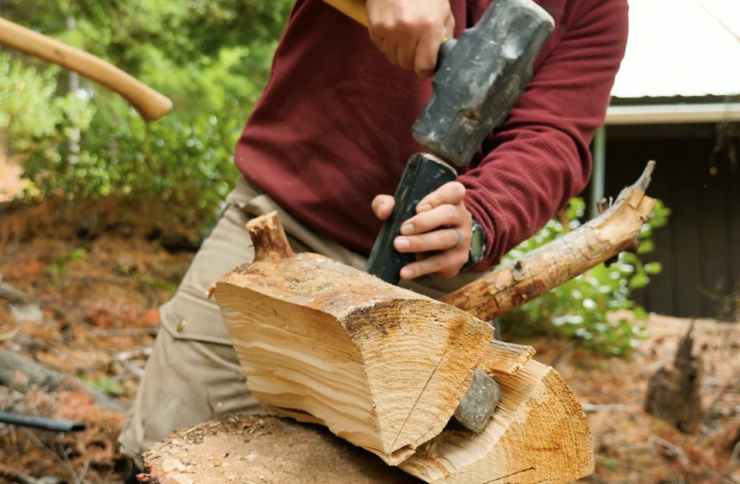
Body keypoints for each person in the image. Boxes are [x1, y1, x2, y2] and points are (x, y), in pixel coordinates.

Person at [120, 0, 628, 478]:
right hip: (276, 237)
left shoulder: (596, 8)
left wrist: (477, 219)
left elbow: (552, 137)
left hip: (431, 284)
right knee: (166, 456)